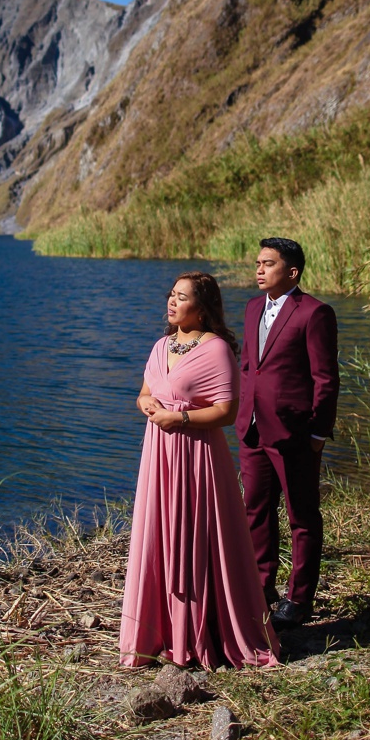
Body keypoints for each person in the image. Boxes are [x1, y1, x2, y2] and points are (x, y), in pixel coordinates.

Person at [120, 272, 279, 671]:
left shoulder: (217, 350)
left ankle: (200, 632)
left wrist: (183, 419)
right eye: (171, 294)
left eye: (182, 297)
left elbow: (226, 411)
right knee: (158, 536)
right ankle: (158, 631)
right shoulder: (161, 345)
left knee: (197, 539)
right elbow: (144, 393)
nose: (172, 302)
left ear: (204, 309)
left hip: (195, 456)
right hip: (158, 455)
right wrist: (147, 406)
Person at [237, 238, 340, 630]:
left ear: (292, 272)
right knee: (255, 512)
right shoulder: (251, 309)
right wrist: (241, 412)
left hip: (296, 434)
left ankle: (298, 600)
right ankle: (262, 590)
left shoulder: (315, 313)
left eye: (268, 264)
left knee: (302, 515)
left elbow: (326, 379)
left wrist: (318, 433)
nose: (259, 270)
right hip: (252, 430)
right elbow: (249, 366)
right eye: (257, 262)